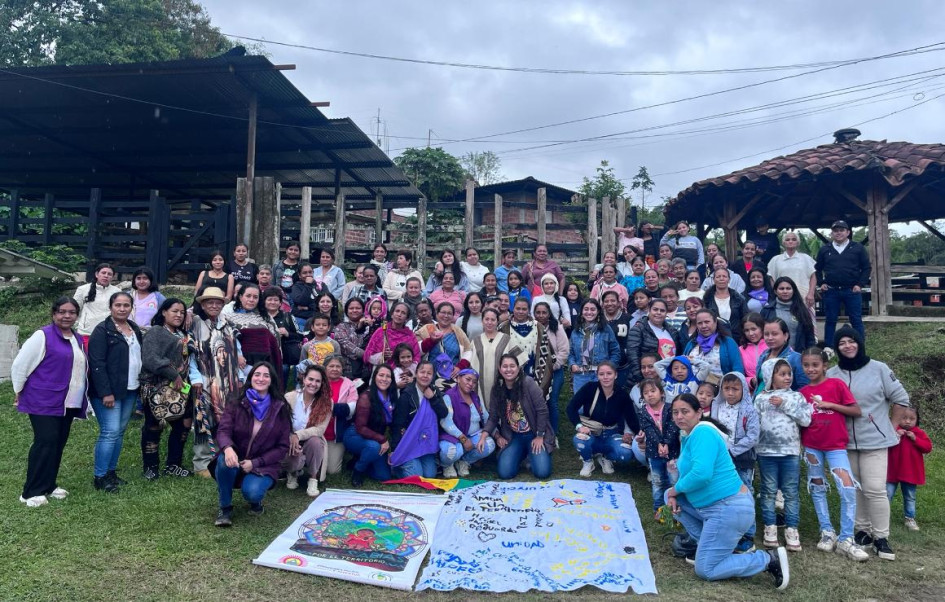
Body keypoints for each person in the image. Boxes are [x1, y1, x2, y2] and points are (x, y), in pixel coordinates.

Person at [665, 394, 791, 589]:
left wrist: (675, 489)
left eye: (685, 411)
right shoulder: (688, 435)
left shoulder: (703, 433)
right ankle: (707, 547)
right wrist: (674, 492)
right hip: (718, 508)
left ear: (699, 413)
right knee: (670, 496)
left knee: (705, 569)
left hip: (728, 508)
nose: (679, 416)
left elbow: (701, 474)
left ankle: (767, 559)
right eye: (675, 412)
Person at [828, 326, 910, 561]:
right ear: (837, 348)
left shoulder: (879, 369)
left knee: (875, 489)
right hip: (845, 442)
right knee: (856, 487)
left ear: (859, 343)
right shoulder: (833, 374)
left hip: (874, 441)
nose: (847, 346)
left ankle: (881, 537)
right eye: (842, 343)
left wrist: (891, 427)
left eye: (851, 341)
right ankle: (862, 531)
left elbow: (901, 398)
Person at [13, 298, 89, 507]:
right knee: (45, 441)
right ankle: (30, 491)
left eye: (71, 312)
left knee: (57, 442)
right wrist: (18, 390)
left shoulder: (77, 338)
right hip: (43, 399)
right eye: (62, 312)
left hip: (68, 401)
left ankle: (48, 485)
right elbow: (21, 364)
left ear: (77, 315)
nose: (67, 316)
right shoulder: (42, 336)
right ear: (54, 314)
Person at [797, 347, 869, 560]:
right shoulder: (802, 393)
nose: (811, 369)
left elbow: (856, 411)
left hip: (836, 446)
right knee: (817, 487)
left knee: (846, 488)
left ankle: (847, 538)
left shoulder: (836, 385)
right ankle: (827, 531)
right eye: (806, 365)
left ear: (825, 366)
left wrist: (831, 405)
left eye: (815, 365)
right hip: (812, 446)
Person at [212, 362, 291, 527]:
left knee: (253, 492)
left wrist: (255, 463)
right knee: (224, 462)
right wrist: (227, 449)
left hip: (263, 464)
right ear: (250, 377)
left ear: (272, 380)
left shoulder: (280, 408)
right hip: (236, 457)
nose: (260, 378)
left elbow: (282, 447)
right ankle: (225, 508)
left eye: (266, 375)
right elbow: (223, 431)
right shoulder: (236, 403)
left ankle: (256, 503)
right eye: (257, 374)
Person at [754, 358, 812, 551]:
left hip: (790, 452)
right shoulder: (761, 398)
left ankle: (792, 529)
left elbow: (805, 420)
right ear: (771, 376)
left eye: (789, 374)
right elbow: (755, 423)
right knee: (768, 490)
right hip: (766, 452)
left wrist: (784, 404)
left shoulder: (796, 397)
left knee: (791, 492)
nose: (787, 377)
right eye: (782, 374)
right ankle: (770, 528)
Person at [88, 292, 142, 493]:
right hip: (108, 392)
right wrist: (105, 393)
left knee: (119, 432)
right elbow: (97, 364)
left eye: (126, 305)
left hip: (130, 389)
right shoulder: (102, 330)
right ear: (111, 307)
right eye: (118, 305)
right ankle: (100, 476)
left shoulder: (134, 328)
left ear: (131, 307)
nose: (122, 309)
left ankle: (111, 472)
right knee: (109, 432)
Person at [189, 286, 245, 478]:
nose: (214, 305)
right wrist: (195, 378)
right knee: (204, 421)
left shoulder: (227, 323)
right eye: (209, 302)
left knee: (227, 419)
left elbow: (237, 350)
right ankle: (202, 462)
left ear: (223, 304)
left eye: (218, 302)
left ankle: (224, 454)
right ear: (202, 305)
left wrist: (241, 376)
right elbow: (189, 355)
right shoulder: (195, 323)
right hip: (205, 380)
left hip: (229, 381)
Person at [139, 298, 195, 480]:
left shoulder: (182, 334)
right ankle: (151, 467)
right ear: (163, 312)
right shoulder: (155, 332)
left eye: (182, 312)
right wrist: (173, 374)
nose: (179, 315)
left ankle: (174, 464)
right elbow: (150, 358)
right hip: (156, 387)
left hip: (182, 390)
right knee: (154, 427)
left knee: (183, 426)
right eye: (174, 311)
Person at [710, 372, 761, 553]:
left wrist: (733, 450)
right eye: (727, 388)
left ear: (743, 390)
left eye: (735, 389)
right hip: (720, 458)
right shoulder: (716, 406)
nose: (730, 393)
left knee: (744, 494)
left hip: (741, 459)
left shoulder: (749, 410)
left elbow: (753, 437)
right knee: (722, 493)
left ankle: (748, 535)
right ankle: (726, 531)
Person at [484, 354, 555, 479]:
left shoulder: (528, 383)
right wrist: (484, 435)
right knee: (505, 473)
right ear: (500, 369)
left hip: (533, 434)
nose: (508, 369)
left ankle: (533, 455)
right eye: (505, 366)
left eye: (512, 366)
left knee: (542, 473)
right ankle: (521, 455)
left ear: (518, 368)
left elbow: (542, 410)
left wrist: (539, 436)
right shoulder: (497, 389)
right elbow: (493, 416)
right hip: (514, 436)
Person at [568, 362, 638, 477]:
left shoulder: (622, 395)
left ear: (615, 375)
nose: (605, 377)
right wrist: (579, 426)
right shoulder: (589, 388)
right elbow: (571, 408)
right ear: (597, 375)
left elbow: (631, 418)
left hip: (612, 434)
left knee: (626, 454)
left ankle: (606, 457)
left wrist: (638, 434)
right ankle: (588, 461)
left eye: (609, 373)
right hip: (591, 432)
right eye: (602, 374)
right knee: (579, 440)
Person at [816, 220, 871, 347]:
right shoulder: (825, 249)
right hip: (831, 290)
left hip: (851, 290)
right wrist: (821, 283)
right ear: (832, 233)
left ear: (848, 232)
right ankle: (829, 348)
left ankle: (860, 346)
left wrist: (860, 284)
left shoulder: (857, 248)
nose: (838, 233)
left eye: (841, 230)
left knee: (856, 320)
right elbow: (817, 268)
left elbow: (866, 268)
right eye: (836, 231)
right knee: (830, 320)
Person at [390, 361, 449, 478]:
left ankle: (418, 462)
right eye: (422, 372)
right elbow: (397, 423)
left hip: (425, 442)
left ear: (433, 376)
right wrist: (394, 449)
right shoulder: (407, 394)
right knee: (417, 476)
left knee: (430, 475)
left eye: (429, 373)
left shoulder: (435, 391)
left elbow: (443, 413)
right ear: (416, 373)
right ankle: (397, 467)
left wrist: (432, 398)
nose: (425, 376)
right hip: (409, 441)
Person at [344, 365, 398, 486]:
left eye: (388, 376)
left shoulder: (392, 397)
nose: (384, 379)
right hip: (356, 435)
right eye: (381, 375)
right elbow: (360, 427)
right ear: (374, 378)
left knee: (384, 476)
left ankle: (361, 460)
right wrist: (382, 439)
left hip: (373, 437)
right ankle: (358, 470)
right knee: (374, 447)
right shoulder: (366, 397)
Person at [284, 364, 333, 498]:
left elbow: (319, 429)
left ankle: (313, 478)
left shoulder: (327, 402)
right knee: (294, 457)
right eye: (310, 379)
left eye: (318, 381)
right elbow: (282, 424)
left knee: (315, 442)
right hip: (290, 439)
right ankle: (293, 473)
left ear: (322, 383)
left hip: (311, 439)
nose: (313, 384)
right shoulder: (290, 397)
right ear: (303, 379)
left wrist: (297, 435)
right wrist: (291, 437)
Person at [439, 369, 496, 477]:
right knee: (452, 451)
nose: (471, 384)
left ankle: (464, 462)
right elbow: (446, 422)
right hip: (452, 437)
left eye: (474, 382)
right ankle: (447, 465)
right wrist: (463, 439)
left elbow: (486, 417)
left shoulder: (475, 397)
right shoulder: (449, 396)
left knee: (489, 444)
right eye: (468, 379)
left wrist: (496, 434)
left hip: (473, 435)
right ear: (459, 379)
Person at [637, 378, 679, 515]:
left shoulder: (670, 408)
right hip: (654, 453)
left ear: (661, 393)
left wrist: (666, 443)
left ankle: (673, 507)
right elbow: (648, 429)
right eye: (646, 393)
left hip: (672, 451)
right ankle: (658, 508)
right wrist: (659, 445)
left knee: (673, 480)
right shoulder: (643, 412)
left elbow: (673, 428)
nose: (650, 394)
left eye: (653, 391)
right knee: (657, 481)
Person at [887, 406, 931, 532]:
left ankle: (909, 518)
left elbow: (928, 448)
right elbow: (884, 444)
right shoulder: (892, 431)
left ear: (917, 420)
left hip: (910, 473)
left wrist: (915, 439)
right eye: (904, 418)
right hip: (892, 470)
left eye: (912, 419)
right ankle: (883, 517)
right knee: (887, 494)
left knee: (910, 496)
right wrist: (895, 435)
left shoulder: (919, 433)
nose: (907, 421)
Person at [227, 283, 282, 374]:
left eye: (255, 297)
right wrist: (237, 356)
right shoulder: (229, 317)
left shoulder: (265, 317)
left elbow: (276, 342)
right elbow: (229, 341)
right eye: (248, 296)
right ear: (240, 297)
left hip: (266, 365)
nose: (251, 300)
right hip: (241, 366)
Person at [569, 299, 621, 392]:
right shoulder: (576, 331)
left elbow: (615, 351)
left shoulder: (606, 329)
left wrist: (609, 368)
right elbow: (571, 352)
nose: (589, 312)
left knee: (602, 404)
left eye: (593, 309)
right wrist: (572, 364)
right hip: (581, 375)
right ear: (581, 312)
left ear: (598, 312)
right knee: (581, 405)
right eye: (586, 309)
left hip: (601, 375)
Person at [532, 301, 568, 434]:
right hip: (535, 373)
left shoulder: (556, 328)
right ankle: (538, 431)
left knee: (551, 402)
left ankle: (553, 434)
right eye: (538, 312)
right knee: (537, 403)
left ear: (549, 314)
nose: (541, 315)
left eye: (544, 312)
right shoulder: (531, 328)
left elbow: (564, 352)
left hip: (554, 372)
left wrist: (551, 367)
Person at [767, 231, 817, 320]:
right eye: (788, 239)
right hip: (783, 297)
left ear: (798, 242)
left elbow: (813, 277)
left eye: (793, 239)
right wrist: (777, 292)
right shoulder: (776, 260)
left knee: (806, 324)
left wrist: (811, 293)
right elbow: (772, 279)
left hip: (804, 297)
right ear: (783, 243)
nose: (790, 241)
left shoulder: (805, 258)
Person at [627, 298, 678, 384]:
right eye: (655, 309)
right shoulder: (638, 329)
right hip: (644, 379)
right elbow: (632, 356)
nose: (658, 312)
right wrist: (642, 380)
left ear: (666, 314)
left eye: (662, 310)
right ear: (649, 311)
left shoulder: (673, 331)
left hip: (668, 380)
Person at [682, 309, 744, 377]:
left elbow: (738, 370)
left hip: (719, 386)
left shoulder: (728, 342)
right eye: (700, 323)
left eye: (707, 322)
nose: (703, 326)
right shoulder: (691, 343)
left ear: (715, 322)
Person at [761, 277, 816, 353]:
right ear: (775, 291)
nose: (785, 291)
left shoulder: (802, 311)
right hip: (772, 355)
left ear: (793, 291)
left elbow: (810, 337)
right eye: (781, 289)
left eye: (788, 288)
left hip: (797, 355)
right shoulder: (767, 311)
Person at [755, 318, 809, 392]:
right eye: (766, 334)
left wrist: (785, 399)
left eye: (774, 334)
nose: (770, 338)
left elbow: (804, 387)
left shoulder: (795, 358)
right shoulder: (764, 355)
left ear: (785, 336)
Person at [364, 301, 420, 371]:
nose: (399, 314)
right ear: (392, 314)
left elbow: (416, 357)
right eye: (397, 311)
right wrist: (382, 356)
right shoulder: (381, 331)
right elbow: (368, 355)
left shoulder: (410, 335)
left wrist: (408, 371)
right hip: (382, 372)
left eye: (403, 313)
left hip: (403, 373)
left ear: (407, 318)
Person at [469, 308, 510, 403]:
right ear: (482, 321)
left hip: (501, 383)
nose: (489, 322)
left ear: (497, 321)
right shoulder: (476, 341)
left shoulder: (506, 339)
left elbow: (517, 362)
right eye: (486, 319)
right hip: (479, 385)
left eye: (493, 320)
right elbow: (469, 363)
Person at [74, 263, 121, 339]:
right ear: (96, 274)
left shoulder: (117, 292)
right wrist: (79, 324)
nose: (106, 276)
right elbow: (75, 309)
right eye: (103, 273)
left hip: (108, 332)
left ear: (112, 277)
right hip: (86, 332)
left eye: (109, 274)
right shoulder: (83, 289)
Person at [331, 298, 371, 381]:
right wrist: (370, 356)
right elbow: (348, 347)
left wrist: (371, 327)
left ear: (363, 310)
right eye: (351, 308)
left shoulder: (370, 327)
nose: (355, 310)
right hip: (347, 372)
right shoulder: (340, 327)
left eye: (358, 308)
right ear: (346, 311)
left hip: (367, 371)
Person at [600, 291, 633, 388]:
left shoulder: (628, 319)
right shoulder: (599, 319)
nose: (609, 303)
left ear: (619, 303)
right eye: (606, 301)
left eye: (613, 300)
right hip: (602, 365)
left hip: (623, 365)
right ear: (602, 304)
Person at [738, 313, 768, 388]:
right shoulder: (741, 350)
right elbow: (739, 374)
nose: (751, 333)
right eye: (747, 330)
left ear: (762, 328)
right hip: (753, 391)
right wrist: (751, 381)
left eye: (754, 329)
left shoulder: (771, 344)